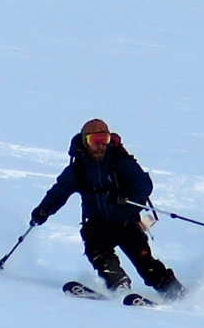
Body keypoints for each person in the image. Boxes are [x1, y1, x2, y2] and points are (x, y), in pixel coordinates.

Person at [29, 119, 185, 299]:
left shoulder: (121, 162)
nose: (100, 146)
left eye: (105, 139)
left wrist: (127, 194)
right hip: (97, 224)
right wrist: (45, 208)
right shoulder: (78, 169)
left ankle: (177, 294)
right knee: (98, 253)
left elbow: (144, 184)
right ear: (85, 142)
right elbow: (60, 191)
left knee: (145, 264)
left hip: (126, 222)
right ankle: (118, 284)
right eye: (95, 141)